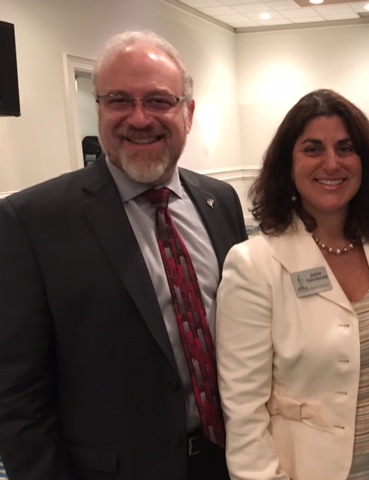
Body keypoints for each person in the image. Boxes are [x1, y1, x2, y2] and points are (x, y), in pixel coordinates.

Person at [0, 31, 247, 480]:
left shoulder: (220, 200)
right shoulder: (30, 221)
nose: (138, 118)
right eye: (118, 100)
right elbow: (17, 394)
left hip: (233, 460)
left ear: (188, 113)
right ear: (99, 110)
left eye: (158, 101)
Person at [216, 89, 369, 480]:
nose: (331, 163)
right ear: (288, 165)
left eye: (345, 148)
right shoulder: (254, 264)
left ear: (366, 161)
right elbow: (243, 411)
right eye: (312, 149)